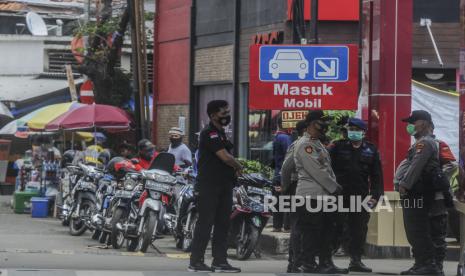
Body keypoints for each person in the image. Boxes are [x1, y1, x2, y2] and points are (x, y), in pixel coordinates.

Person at [189, 100, 242, 273]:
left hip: (224, 186)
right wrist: (238, 166)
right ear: (213, 116)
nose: (227, 116)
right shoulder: (209, 133)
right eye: (223, 113)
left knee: (223, 224)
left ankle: (220, 261)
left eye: (228, 112)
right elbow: (225, 157)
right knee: (205, 224)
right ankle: (196, 262)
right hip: (208, 187)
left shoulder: (221, 133)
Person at [293, 110, 348, 274]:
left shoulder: (316, 143)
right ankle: (308, 264)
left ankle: (325, 263)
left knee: (327, 230)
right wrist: (335, 187)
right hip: (311, 196)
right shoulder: (305, 144)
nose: (325, 125)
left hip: (323, 196)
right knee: (311, 232)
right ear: (310, 123)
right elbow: (317, 171)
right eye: (321, 122)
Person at [397, 110, 450, 275]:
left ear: (425, 123)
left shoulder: (425, 143)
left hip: (419, 193)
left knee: (418, 231)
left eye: (414, 121)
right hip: (416, 194)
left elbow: (417, 166)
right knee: (415, 231)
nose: (410, 125)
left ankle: (428, 265)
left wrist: (404, 184)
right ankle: (421, 264)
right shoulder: (420, 143)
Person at [329, 118, 383, 273]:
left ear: (363, 132)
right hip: (338, 196)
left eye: (356, 129)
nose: (352, 132)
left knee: (358, 230)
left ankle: (356, 260)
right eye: (350, 129)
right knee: (335, 227)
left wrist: (375, 196)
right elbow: (326, 168)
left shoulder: (371, 149)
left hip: (361, 197)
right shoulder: (337, 147)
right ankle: (327, 259)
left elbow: (377, 175)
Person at [281, 120, 307, 273]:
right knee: (298, 226)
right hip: (296, 187)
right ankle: (295, 262)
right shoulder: (298, 144)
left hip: (307, 189)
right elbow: (286, 167)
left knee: (303, 227)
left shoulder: (312, 144)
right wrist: (285, 187)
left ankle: (298, 261)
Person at [272, 116, 292, 232]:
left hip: (277, 173)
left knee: (278, 202)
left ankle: (277, 225)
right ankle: (287, 226)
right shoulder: (285, 137)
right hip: (284, 174)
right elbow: (289, 156)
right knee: (287, 201)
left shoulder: (278, 136)